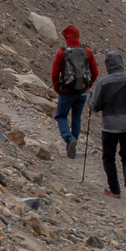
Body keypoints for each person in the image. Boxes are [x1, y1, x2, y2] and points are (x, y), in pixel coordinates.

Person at [85, 49, 126, 200]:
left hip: (110, 125)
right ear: (121, 63)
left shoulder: (103, 82)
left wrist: (89, 99)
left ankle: (115, 190)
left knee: (108, 156)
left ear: (108, 65)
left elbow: (95, 106)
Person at [50, 25, 99, 158]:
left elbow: (55, 74)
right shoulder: (87, 52)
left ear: (66, 37)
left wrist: (57, 89)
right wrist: (87, 86)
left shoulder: (62, 52)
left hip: (66, 91)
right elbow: (95, 72)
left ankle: (69, 139)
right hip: (82, 91)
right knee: (76, 118)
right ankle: (72, 148)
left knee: (61, 116)